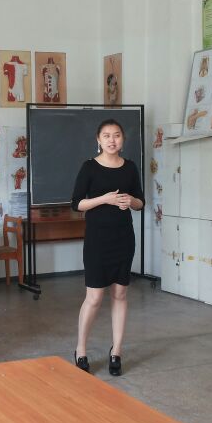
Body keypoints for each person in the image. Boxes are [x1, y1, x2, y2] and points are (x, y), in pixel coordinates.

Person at [71, 119, 144, 375]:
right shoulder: (89, 167)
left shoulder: (130, 167)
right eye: (106, 135)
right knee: (94, 297)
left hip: (123, 238)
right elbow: (77, 203)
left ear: (123, 139)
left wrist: (130, 200)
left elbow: (140, 203)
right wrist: (105, 199)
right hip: (97, 240)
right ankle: (81, 349)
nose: (112, 140)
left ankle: (117, 351)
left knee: (120, 294)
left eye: (116, 135)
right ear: (98, 140)